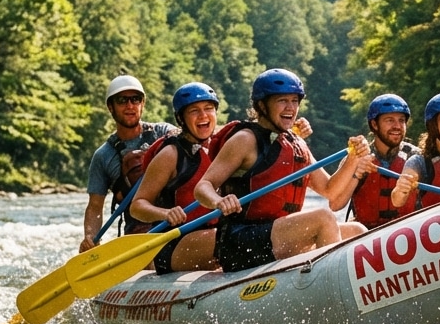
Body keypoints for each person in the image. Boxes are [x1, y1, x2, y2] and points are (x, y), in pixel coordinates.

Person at [193, 68, 370, 272]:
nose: (290, 108)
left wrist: (353, 158)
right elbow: (202, 187)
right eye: (282, 101)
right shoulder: (245, 139)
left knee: (356, 231)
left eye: (294, 101)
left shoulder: (295, 143)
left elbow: (329, 190)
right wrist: (218, 201)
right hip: (242, 241)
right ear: (262, 105)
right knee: (323, 218)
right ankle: (331, 287)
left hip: (276, 236)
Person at [128, 81, 222, 274]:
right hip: (175, 241)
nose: (203, 115)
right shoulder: (170, 154)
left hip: (211, 235)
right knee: (233, 239)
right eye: (194, 111)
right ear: (181, 119)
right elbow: (137, 206)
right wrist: (165, 213)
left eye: (209, 109)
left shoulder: (223, 145)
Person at [80, 74, 174, 253]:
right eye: (122, 100)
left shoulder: (165, 133)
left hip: (178, 221)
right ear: (111, 107)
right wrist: (90, 236)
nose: (130, 106)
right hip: (138, 234)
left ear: (142, 104)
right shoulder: (103, 156)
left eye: (135, 99)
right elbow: (95, 207)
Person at [328, 93, 420, 229]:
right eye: (390, 120)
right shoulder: (356, 156)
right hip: (367, 234)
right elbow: (335, 205)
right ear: (374, 124)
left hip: (408, 232)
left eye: (401, 120)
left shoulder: (416, 156)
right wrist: (357, 174)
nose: (397, 126)